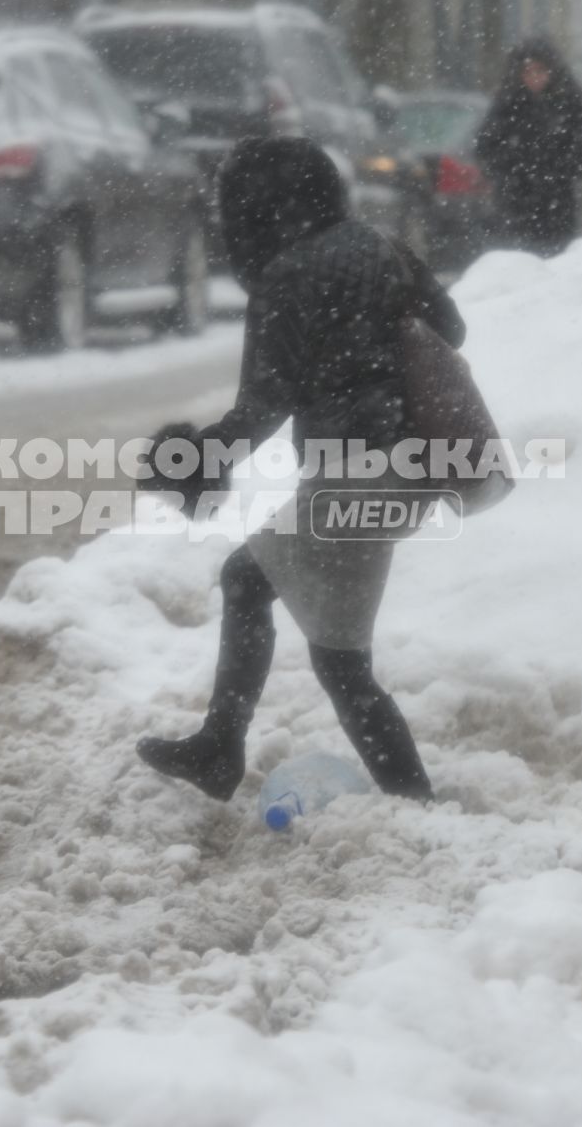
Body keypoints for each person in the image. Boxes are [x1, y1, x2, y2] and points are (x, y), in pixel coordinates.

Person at [134, 136, 465, 805]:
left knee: (340, 662)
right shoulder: (380, 245)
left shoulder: (285, 276)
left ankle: (414, 802)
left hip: (357, 476)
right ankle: (221, 744)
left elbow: (262, 406)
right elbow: (450, 329)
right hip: (409, 466)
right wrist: (369, 346)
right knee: (251, 582)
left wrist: (192, 460)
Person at [472, 38, 582, 257]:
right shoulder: (506, 106)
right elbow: (486, 150)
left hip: (560, 207)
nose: (534, 77)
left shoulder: (573, 104)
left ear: (553, 70)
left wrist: (558, 167)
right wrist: (516, 168)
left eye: (540, 70)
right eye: (527, 71)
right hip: (514, 207)